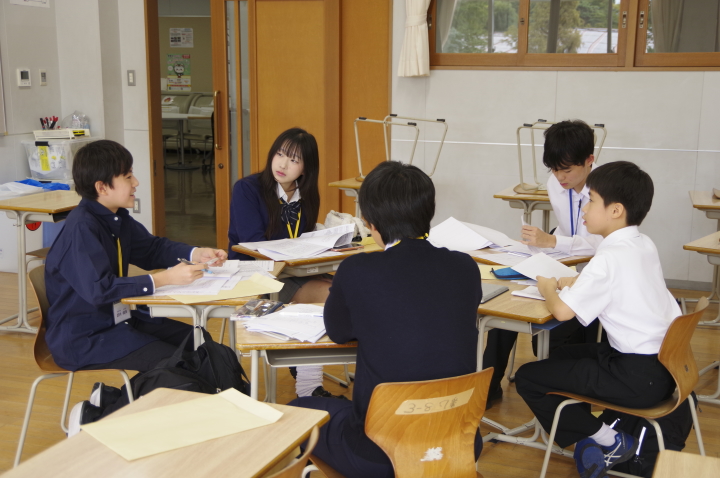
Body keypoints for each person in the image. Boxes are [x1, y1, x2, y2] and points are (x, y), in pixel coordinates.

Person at [288, 161, 484, 478]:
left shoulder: (357, 270)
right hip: (458, 442)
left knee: (296, 412)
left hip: (378, 453)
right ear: (428, 212)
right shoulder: (465, 268)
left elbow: (338, 331)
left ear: (370, 222)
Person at [44, 140, 228, 434]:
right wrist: (165, 279)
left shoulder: (114, 217)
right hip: (84, 335)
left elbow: (152, 248)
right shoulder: (81, 228)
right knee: (175, 365)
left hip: (119, 319)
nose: (136, 182)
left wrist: (196, 253)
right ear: (102, 187)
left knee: (203, 346)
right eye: (128, 176)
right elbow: (99, 290)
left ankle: (114, 398)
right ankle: (97, 417)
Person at [515, 161, 678, 478]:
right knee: (561, 357)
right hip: (663, 367)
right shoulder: (642, 243)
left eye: (591, 200)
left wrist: (547, 287)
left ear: (615, 210)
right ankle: (590, 438)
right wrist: (578, 282)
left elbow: (562, 312)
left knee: (528, 378)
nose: (584, 208)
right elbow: (621, 282)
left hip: (635, 377)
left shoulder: (608, 257)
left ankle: (610, 440)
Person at [483, 119, 604, 408]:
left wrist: (552, 242)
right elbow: (565, 228)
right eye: (554, 169)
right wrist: (542, 245)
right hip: (562, 262)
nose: (560, 177)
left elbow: (598, 243)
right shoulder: (555, 183)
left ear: (589, 160)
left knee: (548, 336)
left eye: (567, 170)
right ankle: (487, 386)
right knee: (509, 305)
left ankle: (557, 391)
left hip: (591, 273)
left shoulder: (604, 189)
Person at [228, 127, 341, 399]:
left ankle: (305, 375)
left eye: (293, 160)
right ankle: (309, 387)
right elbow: (253, 244)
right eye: (280, 154)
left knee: (344, 289)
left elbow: (303, 238)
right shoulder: (247, 189)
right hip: (257, 273)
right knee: (329, 297)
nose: (282, 164)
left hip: (292, 271)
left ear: (305, 168)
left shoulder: (307, 195)